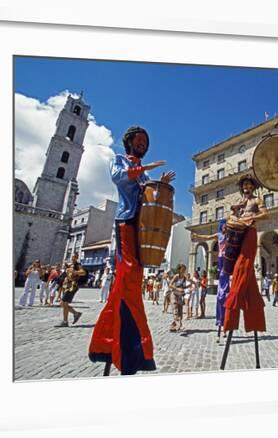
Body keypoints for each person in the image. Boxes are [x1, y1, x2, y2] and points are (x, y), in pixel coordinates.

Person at [88, 126, 175, 375]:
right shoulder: (121, 160)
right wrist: (145, 170)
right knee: (129, 276)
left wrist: (160, 184)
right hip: (126, 221)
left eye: (145, 142)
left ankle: (106, 344)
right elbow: (119, 177)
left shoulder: (143, 176)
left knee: (128, 282)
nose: (142, 144)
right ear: (130, 142)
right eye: (139, 140)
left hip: (142, 224)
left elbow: (147, 195)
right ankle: (135, 346)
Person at [222, 175, 268, 334]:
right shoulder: (240, 201)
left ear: (252, 187)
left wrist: (251, 217)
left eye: (249, 185)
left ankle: (232, 311)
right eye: (245, 185)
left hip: (250, 232)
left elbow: (265, 214)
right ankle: (255, 320)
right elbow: (231, 217)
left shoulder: (257, 201)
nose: (247, 187)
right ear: (242, 187)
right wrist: (235, 209)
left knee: (242, 266)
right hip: (238, 233)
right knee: (245, 275)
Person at [54, 253, 86, 327]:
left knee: (64, 303)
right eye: (72, 257)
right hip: (66, 285)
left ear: (77, 258)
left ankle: (65, 321)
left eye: (74, 257)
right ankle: (75, 314)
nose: (73, 258)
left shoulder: (78, 265)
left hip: (72, 286)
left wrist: (74, 272)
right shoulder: (70, 265)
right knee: (63, 303)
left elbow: (83, 272)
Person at [169, 264, 188, 332]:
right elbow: (170, 285)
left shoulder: (184, 278)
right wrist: (177, 288)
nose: (184, 271)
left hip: (180, 296)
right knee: (175, 310)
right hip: (174, 295)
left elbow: (182, 287)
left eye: (184, 269)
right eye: (182, 269)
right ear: (179, 270)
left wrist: (189, 287)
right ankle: (180, 325)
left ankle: (172, 326)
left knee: (180, 312)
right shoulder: (176, 276)